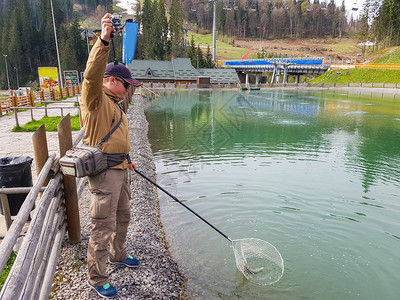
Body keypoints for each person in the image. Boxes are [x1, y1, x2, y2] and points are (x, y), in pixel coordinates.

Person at [79, 13, 141, 298]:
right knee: (103, 226)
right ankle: (97, 277)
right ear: (114, 81)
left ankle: (118, 255)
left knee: (123, 216)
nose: (130, 90)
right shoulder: (94, 98)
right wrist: (103, 40)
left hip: (121, 170)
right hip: (104, 176)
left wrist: (127, 160)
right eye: (127, 84)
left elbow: (117, 139)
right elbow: (92, 74)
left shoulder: (116, 103)